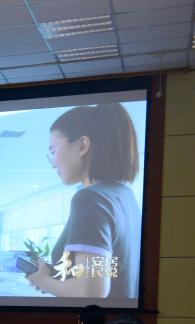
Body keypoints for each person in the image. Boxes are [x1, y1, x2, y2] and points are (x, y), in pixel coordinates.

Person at [26, 103, 140, 300]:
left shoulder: (90, 199)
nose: (53, 163)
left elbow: (90, 290)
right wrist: (54, 280)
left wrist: (42, 280)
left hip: (95, 319)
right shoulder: (124, 195)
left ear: (82, 146)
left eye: (54, 150)